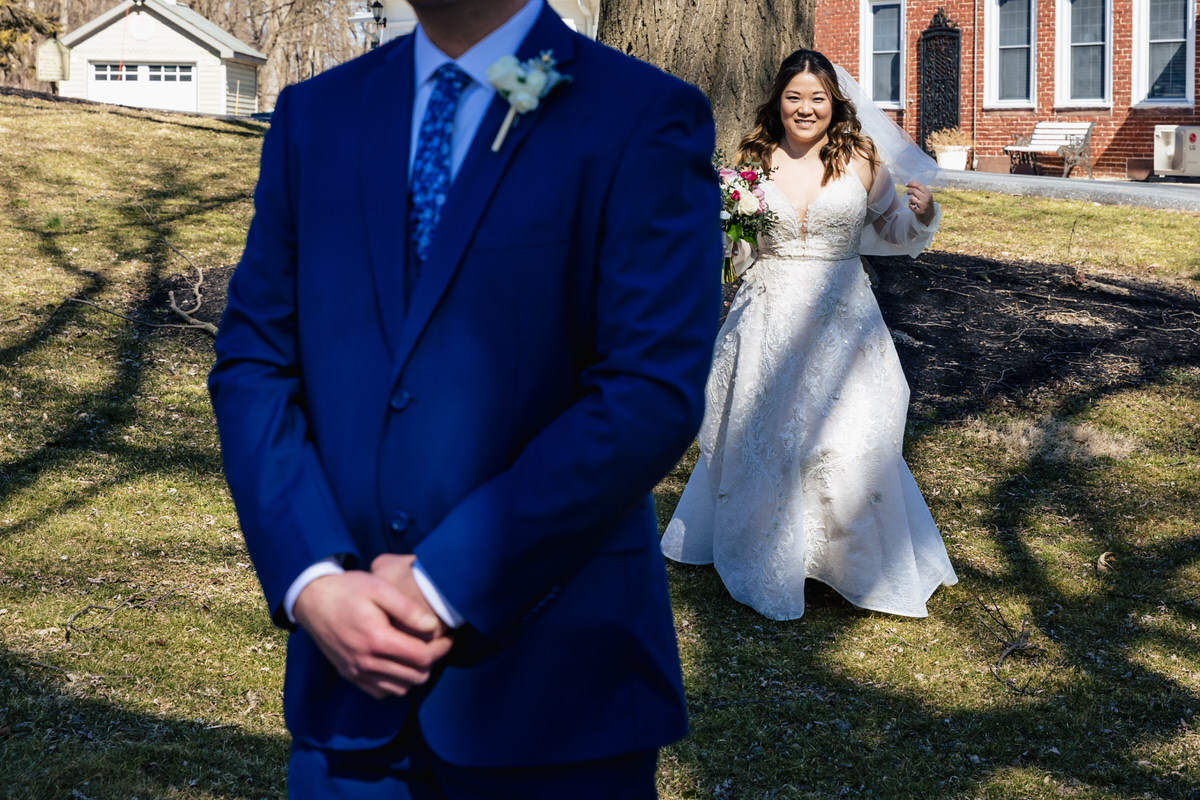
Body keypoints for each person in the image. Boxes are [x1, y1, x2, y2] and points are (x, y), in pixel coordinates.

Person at [208, 0, 721, 796]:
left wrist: (447, 578)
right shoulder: (316, 115)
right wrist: (311, 576)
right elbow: (252, 360)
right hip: (347, 696)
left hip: (552, 690)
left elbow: (648, 389)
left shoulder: (642, 115)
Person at [661, 49, 958, 621]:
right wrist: (717, 228)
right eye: (794, 96)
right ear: (778, 100)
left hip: (843, 318)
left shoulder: (862, 158)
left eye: (817, 98)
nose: (805, 108)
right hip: (767, 314)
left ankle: (846, 562)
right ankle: (769, 554)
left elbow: (890, 228)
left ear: (834, 103)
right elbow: (737, 251)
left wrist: (920, 214)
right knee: (765, 434)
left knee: (847, 439)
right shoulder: (753, 160)